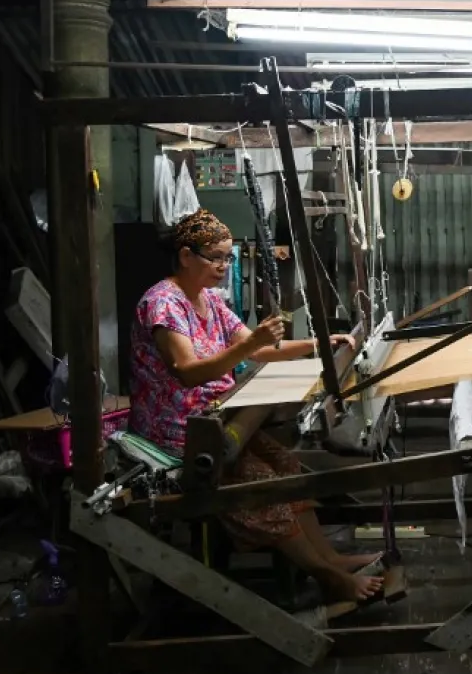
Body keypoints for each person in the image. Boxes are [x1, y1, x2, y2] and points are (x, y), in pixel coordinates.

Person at [128, 208, 382, 604]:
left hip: (220, 418)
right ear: (185, 256)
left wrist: (319, 344)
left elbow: (260, 348)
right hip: (179, 433)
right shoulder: (163, 304)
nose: (223, 266)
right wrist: (250, 345)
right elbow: (187, 372)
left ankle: (330, 558)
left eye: (227, 258)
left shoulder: (208, 300)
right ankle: (327, 576)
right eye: (215, 258)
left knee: (286, 466)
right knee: (261, 484)